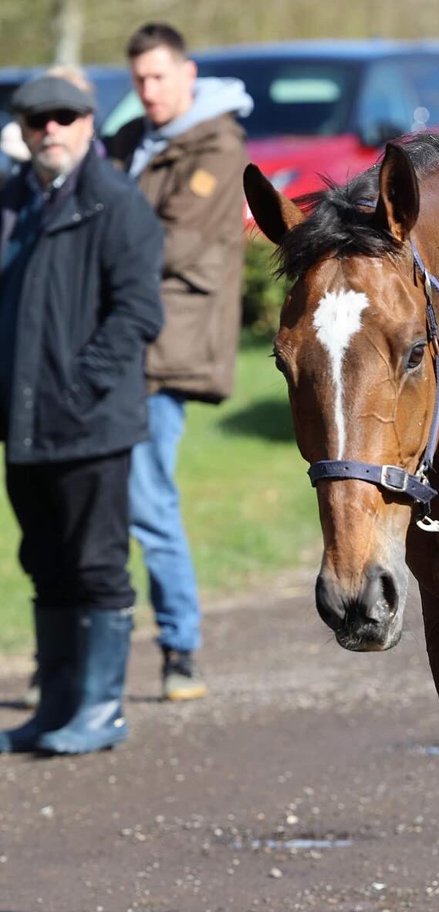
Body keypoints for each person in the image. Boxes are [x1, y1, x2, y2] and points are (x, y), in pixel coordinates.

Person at [0, 73, 163, 755]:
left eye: (64, 118)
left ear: (89, 123)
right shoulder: (14, 202)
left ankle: (100, 709)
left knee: (97, 566)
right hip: (25, 425)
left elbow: (137, 314)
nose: (51, 131)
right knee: (45, 562)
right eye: (38, 121)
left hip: (90, 425)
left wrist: (75, 386)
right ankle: (58, 704)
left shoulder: (114, 202)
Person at [106, 22, 251, 702]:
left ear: (188, 74)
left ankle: (179, 648)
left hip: (164, 346)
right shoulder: (136, 138)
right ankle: (90, 651)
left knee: (145, 496)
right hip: (111, 341)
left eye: (159, 77)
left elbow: (168, 243)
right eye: (138, 80)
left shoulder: (216, 144)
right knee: (96, 498)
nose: (148, 91)